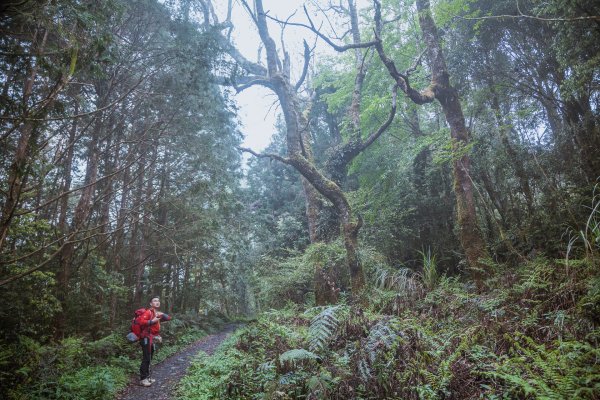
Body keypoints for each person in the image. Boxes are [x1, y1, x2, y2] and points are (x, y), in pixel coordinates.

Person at [137, 296, 171, 387]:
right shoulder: (148, 312)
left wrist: (161, 314)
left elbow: (168, 318)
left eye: (158, 301)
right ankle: (143, 379)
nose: (157, 302)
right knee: (146, 358)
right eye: (155, 301)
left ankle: (147, 377)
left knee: (150, 357)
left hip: (151, 338)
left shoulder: (156, 313)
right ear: (150, 303)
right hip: (145, 338)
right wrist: (152, 321)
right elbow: (141, 322)